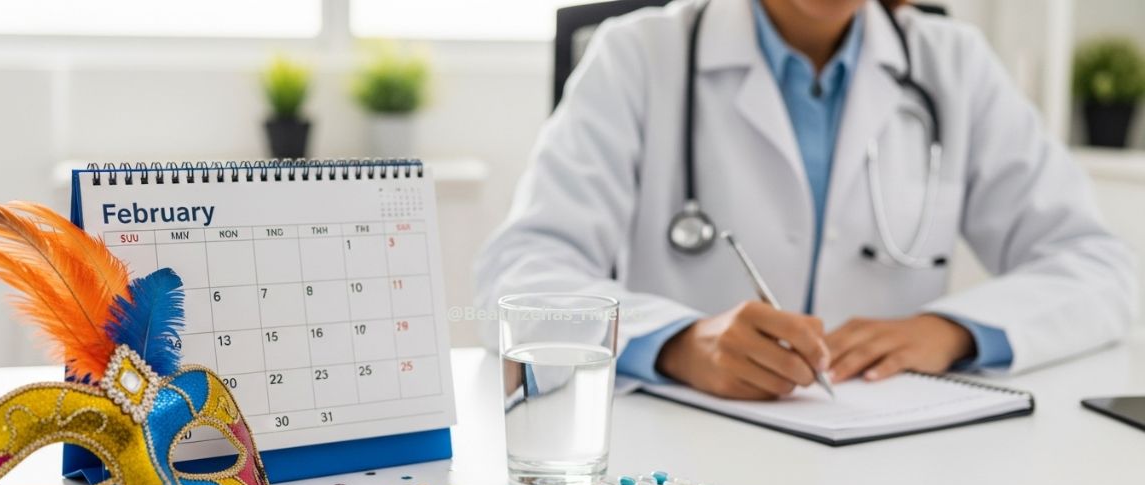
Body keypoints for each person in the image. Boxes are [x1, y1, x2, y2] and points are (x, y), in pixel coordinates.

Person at [474, 0, 1137, 400]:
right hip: (685, 467)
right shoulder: (639, 56)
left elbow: (1100, 268)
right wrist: (676, 341)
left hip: (896, 460)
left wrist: (951, 332)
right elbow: (519, 276)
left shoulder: (955, 65)